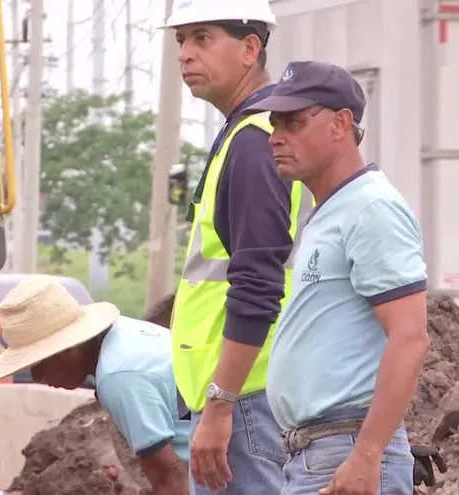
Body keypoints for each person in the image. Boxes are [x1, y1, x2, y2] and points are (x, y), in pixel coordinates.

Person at [241, 60, 432, 494]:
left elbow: (411, 336)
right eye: (274, 125)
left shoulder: (370, 209)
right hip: (317, 453)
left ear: (341, 124)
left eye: (293, 122)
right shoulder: (329, 213)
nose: (276, 138)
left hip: (343, 451)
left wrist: (367, 454)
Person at [158, 1, 314, 493]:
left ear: (250, 49)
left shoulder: (253, 143)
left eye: (202, 38)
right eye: (180, 40)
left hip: (245, 394)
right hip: (243, 388)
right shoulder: (247, 133)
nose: (184, 54)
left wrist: (221, 402)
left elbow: (257, 281)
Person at [0, 275, 191, 495]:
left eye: (39, 363)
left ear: (65, 349)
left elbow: (171, 476)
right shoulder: (124, 334)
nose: (36, 377)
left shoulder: (118, 376)